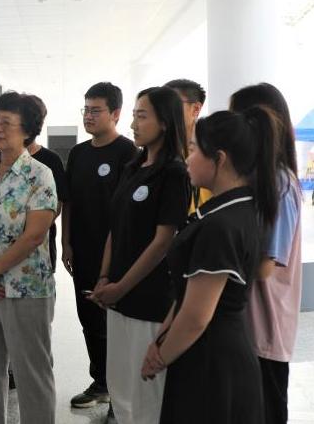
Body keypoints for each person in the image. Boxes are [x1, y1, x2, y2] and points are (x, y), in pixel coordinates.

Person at [143, 107, 281, 423]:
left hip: (212, 361)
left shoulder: (222, 225)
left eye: (193, 150)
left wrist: (159, 357)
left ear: (219, 159)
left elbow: (196, 316)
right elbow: (185, 295)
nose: (187, 158)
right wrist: (162, 339)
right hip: (208, 353)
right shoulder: (232, 213)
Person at [91, 86, 190, 424]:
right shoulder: (133, 166)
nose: (133, 123)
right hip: (117, 296)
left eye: (141, 115)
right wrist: (105, 278)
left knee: (147, 392)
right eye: (133, 115)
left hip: (149, 301)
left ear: (165, 122)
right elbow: (115, 228)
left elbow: (163, 242)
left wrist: (122, 287)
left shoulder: (174, 173)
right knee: (120, 386)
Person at [0, 92, 59, 424]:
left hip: (26, 290)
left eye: (6, 122)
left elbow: (34, 235)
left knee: (32, 374)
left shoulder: (40, 175)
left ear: (27, 129)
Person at [61, 82, 136, 421]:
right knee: (89, 319)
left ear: (115, 114)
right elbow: (70, 202)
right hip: (83, 251)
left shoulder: (129, 153)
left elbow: (129, 213)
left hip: (117, 255)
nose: (89, 116)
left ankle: (121, 397)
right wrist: (66, 242)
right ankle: (100, 382)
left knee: (116, 323)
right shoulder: (78, 153)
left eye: (96, 110)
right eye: (86, 109)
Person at [230, 83, 303, 424]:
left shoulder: (280, 184)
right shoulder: (255, 179)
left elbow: (265, 267)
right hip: (245, 326)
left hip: (265, 327)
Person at [0, 94, 70, 392]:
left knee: (34, 346)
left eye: (6, 122)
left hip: (32, 267)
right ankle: (13, 373)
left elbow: (52, 212)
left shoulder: (45, 166)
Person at [164, 79, 211, 212]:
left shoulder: (210, 151)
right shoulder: (156, 152)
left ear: (195, 109)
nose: (164, 111)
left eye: (171, 104)